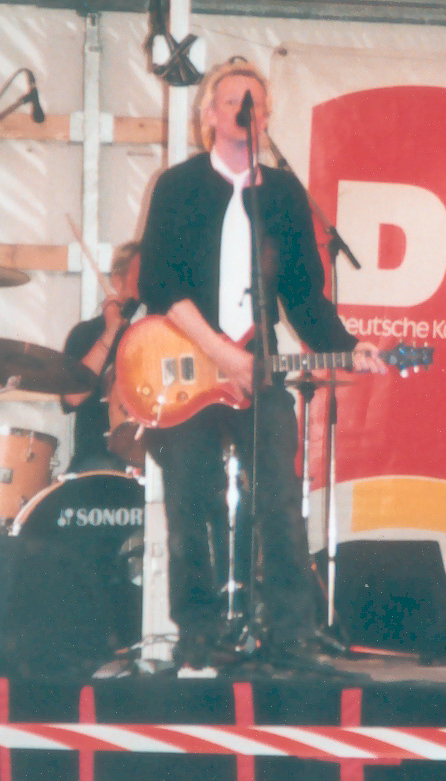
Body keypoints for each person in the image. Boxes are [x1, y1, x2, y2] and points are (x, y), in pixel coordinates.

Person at [138, 58, 385, 672]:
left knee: (279, 498)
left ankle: (290, 634)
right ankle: (199, 633)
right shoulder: (178, 186)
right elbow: (159, 283)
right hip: (188, 358)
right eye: (232, 101)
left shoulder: (282, 194)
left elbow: (303, 293)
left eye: (255, 103)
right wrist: (222, 353)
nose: (244, 111)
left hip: (261, 360)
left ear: (267, 117)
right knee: (190, 499)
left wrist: (348, 344)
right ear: (209, 114)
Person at [61, 241, 142, 471]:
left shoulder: (163, 331)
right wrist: (111, 330)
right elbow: (72, 398)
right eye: (141, 275)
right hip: (99, 460)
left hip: (154, 456)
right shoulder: (86, 333)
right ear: (118, 281)